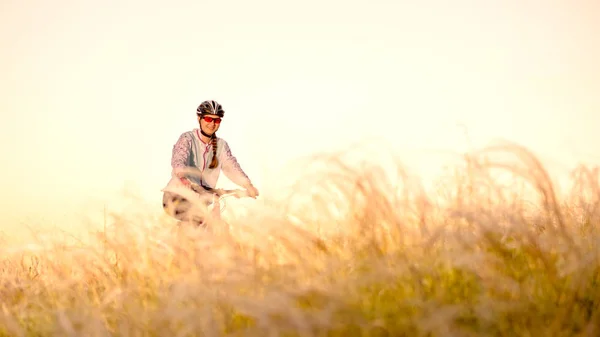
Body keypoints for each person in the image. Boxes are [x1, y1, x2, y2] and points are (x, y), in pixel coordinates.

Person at [161, 100, 259, 227]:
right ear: (199, 118)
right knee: (206, 224)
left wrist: (248, 185)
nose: (212, 123)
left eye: (217, 120)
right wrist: (182, 177)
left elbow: (231, 166)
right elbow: (179, 158)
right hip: (177, 196)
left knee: (218, 226)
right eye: (208, 118)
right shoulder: (187, 139)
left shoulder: (221, 145)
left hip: (202, 197)